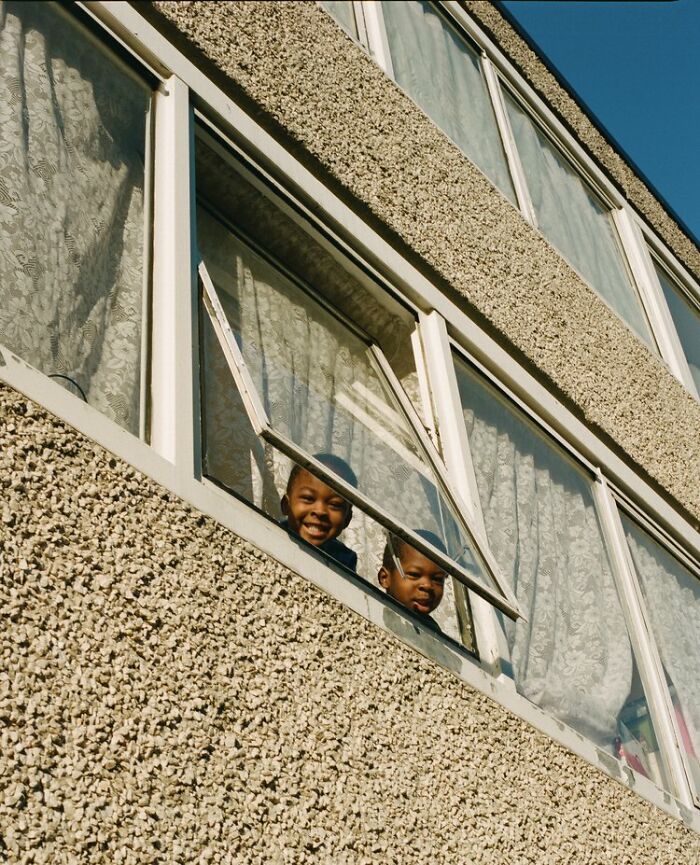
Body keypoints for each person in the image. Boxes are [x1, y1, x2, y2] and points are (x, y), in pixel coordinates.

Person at [280, 454, 358, 572]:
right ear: (286, 505)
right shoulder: (270, 534)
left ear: (347, 519)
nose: (320, 511)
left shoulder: (344, 559)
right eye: (308, 498)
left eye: (334, 504)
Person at [378, 530, 447, 629]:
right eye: (414, 574)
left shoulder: (433, 631)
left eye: (437, 579)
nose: (427, 585)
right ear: (385, 578)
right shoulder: (372, 617)